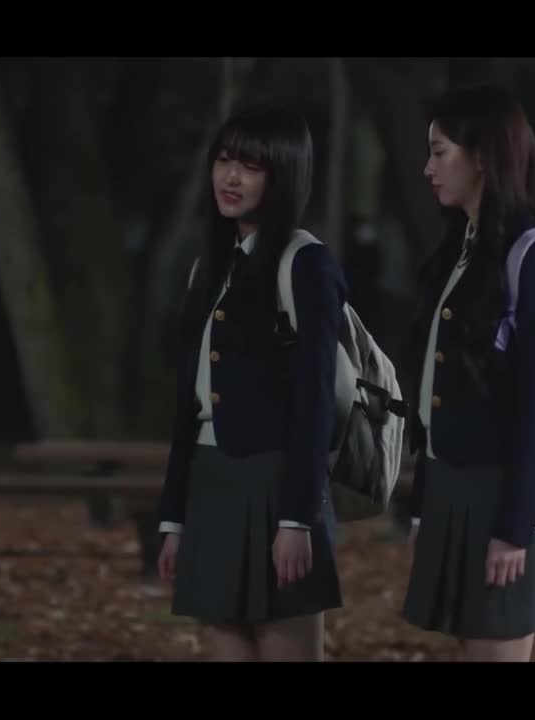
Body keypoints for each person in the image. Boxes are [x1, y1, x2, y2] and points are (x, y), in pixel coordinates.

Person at [155, 102, 347, 662]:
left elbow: (314, 402)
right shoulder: (210, 267)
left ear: (283, 176)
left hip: (276, 486)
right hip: (211, 485)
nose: (231, 177)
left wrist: (296, 518)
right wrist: (174, 519)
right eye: (224, 160)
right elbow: (187, 406)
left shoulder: (305, 263)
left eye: (251, 166)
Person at [401, 84, 535, 661]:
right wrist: (423, 506)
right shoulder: (460, 253)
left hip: (501, 494)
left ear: (482, 156)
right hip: (450, 485)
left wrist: (515, 527)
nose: (428, 168)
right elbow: (436, 391)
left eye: (439, 152)